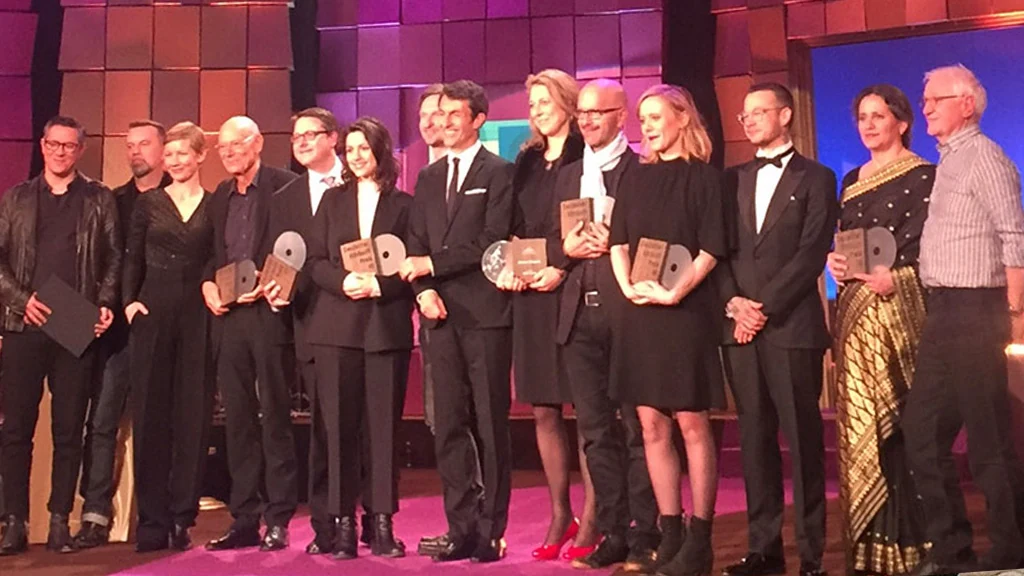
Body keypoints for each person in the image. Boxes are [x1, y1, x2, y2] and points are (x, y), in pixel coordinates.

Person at [903, 64, 1024, 575]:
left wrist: (1014, 314)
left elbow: (1015, 238)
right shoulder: (948, 160)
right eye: (925, 99)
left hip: (978, 309)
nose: (926, 107)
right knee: (921, 429)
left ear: (967, 105)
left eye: (936, 99)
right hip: (943, 311)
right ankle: (951, 550)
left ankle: (1012, 547)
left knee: (987, 436)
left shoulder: (986, 158)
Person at [718, 83, 838, 576]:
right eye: (743, 115)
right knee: (754, 439)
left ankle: (811, 553)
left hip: (790, 326)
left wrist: (761, 308)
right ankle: (763, 548)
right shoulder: (730, 179)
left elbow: (812, 253)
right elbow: (718, 250)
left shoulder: (817, 177)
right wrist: (735, 304)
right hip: (739, 329)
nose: (748, 121)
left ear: (785, 115)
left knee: (803, 441)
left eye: (758, 112)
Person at [608, 84, 726, 576]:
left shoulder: (705, 179)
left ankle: (700, 539)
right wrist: (628, 289)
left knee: (691, 424)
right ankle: (671, 531)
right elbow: (618, 243)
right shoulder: (634, 177)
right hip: (640, 312)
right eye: (643, 119)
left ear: (682, 118)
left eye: (656, 117)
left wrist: (675, 292)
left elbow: (711, 248)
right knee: (651, 426)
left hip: (684, 312)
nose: (648, 127)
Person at [400, 80, 514, 563]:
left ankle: (491, 530)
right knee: (448, 425)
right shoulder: (428, 177)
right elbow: (414, 241)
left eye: (453, 115)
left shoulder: (500, 172)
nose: (443, 123)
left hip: (485, 315)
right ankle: (460, 527)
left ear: (478, 120)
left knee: (489, 423)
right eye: (439, 114)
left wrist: (431, 265)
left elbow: (492, 240)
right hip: (438, 315)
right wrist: (422, 289)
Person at [548, 78, 660, 572]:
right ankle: (613, 531)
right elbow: (547, 240)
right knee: (595, 432)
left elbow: (658, 238)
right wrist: (564, 249)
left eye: (598, 112)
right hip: (577, 316)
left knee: (637, 429)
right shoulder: (568, 175)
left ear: (622, 116)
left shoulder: (643, 171)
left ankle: (647, 532)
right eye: (583, 113)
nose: (588, 120)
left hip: (629, 314)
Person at [291, 116, 413, 560]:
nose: (357, 156)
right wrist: (344, 282)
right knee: (338, 430)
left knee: (383, 431)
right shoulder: (332, 201)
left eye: (365, 148)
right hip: (335, 328)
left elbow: (413, 262)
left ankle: (382, 523)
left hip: (384, 326)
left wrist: (380, 285)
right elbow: (315, 261)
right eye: (352, 149)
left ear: (381, 151)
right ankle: (342, 523)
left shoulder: (405, 205)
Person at [0, 116, 121, 556]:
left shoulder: (99, 198)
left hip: (74, 320)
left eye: (69, 146)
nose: (60, 152)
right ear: (42, 145)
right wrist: (20, 300)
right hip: (25, 321)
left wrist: (104, 302)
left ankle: (58, 522)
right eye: (54, 144)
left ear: (80, 150)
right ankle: (14, 523)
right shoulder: (16, 198)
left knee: (69, 430)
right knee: (16, 430)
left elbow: (113, 258)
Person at [825, 84, 933, 575]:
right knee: (861, 425)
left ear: (902, 123)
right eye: (862, 117)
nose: (868, 125)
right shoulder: (851, 180)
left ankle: (914, 544)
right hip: (854, 318)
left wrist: (899, 278)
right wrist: (836, 263)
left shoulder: (925, 176)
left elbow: (932, 254)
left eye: (879, 116)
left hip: (897, 316)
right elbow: (848, 243)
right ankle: (871, 547)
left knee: (898, 428)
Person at [495, 68, 598, 560]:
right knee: (543, 408)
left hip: (573, 285)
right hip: (532, 294)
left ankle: (595, 516)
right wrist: (514, 266)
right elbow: (514, 226)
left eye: (544, 102)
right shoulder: (527, 161)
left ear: (567, 104)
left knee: (587, 409)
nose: (536, 111)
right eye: (532, 104)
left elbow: (591, 226)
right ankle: (561, 512)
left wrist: (558, 264)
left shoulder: (586, 154)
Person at [201, 116, 299, 553]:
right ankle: (244, 517)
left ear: (257, 143)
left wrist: (275, 282)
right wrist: (207, 286)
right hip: (229, 318)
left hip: (268, 315)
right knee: (238, 420)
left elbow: (299, 248)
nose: (228, 153)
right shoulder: (220, 195)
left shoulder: (285, 186)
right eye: (222, 148)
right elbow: (212, 255)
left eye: (235, 145)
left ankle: (279, 518)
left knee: (275, 416)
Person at [75, 119, 172, 549]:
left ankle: (164, 516)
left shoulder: (182, 197)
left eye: (144, 144)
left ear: (163, 149)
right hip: (115, 333)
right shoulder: (111, 202)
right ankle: (95, 515)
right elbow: (100, 264)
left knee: (163, 424)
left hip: (166, 330)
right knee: (102, 423)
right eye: (129, 145)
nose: (135, 151)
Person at [122, 121, 214, 553]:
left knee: (192, 417)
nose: (175, 161)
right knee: (151, 416)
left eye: (183, 153)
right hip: (152, 314)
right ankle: (152, 520)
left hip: (198, 317)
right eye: (170, 154)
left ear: (200, 156)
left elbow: (217, 259)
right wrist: (129, 302)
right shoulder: (148, 203)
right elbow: (132, 257)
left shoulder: (214, 205)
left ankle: (182, 517)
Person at [264, 107, 342, 555]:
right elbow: (281, 260)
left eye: (311, 134)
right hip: (311, 324)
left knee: (364, 427)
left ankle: (373, 519)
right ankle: (325, 525)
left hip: (361, 321)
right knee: (324, 428)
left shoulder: (360, 182)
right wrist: (276, 292)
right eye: (296, 137)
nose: (303, 142)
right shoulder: (286, 198)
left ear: (333, 138)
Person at [416, 83, 446, 439]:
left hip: (473, 305)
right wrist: (424, 290)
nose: (427, 122)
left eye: (435, 113)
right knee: (439, 411)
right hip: (429, 303)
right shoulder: (423, 176)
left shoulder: (489, 171)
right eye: (422, 115)